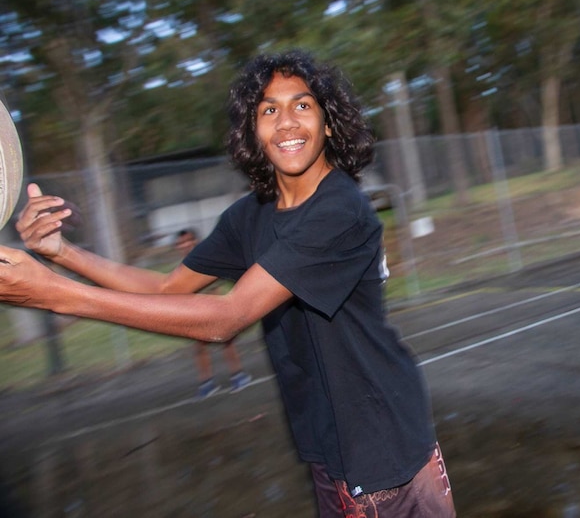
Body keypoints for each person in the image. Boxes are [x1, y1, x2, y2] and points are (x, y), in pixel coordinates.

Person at [0, 50, 456, 517]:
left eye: (302, 106)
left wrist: (55, 294)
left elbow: (226, 318)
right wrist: (62, 254)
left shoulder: (340, 211)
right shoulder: (249, 216)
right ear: (253, 133)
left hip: (385, 453)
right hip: (327, 446)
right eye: (268, 110)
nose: (286, 123)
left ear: (329, 124)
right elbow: (165, 289)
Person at [174, 228, 252, 399]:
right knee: (199, 347)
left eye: (188, 241)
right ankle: (207, 383)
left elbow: (214, 284)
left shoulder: (202, 258)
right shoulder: (181, 267)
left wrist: (216, 309)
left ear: (194, 241)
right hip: (195, 312)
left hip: (212, 308)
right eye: (181, 243)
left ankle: (238, 375)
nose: (185, 245)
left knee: (226, 342)